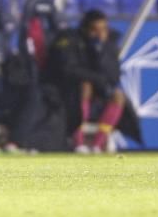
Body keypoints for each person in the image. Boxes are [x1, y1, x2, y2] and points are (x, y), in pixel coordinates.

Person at [45, 10, 129, 154]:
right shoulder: (71, 40)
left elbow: (114, 76)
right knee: (85, 86)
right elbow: (67, 69)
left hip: (98, 90)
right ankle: (78, 142)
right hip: (68, 91)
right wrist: (95, 78)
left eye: (103, 29)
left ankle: (97, 144)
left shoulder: (109, 45)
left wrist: (100, 52)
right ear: (85, 29)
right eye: (95, 30)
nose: (99, 34)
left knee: (118, 96)